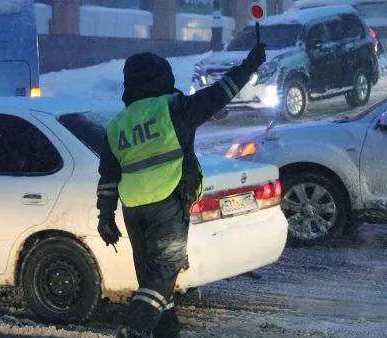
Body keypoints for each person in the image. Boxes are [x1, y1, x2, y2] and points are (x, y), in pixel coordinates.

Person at [96, 43, 267, 338]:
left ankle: (166, 333)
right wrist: (250, 64)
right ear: (162, 77)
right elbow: (219, 94)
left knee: (153, 281)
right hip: (167, 202)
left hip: (133, 210)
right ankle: (133, 328)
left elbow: (108, 177)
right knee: (164, 271)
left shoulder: (117, 125)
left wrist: (106, 217)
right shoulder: (173, 108)